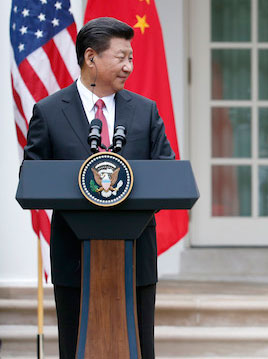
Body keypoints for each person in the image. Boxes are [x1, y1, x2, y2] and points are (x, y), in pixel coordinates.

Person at [22, 17, 174, 359]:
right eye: (121, 57)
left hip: (135, 257)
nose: (129, 66)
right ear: (91, 58)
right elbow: (32, 178)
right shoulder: (49, 112)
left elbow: (167, 174)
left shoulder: (145, 111)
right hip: (74, 259)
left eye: (131, 58)